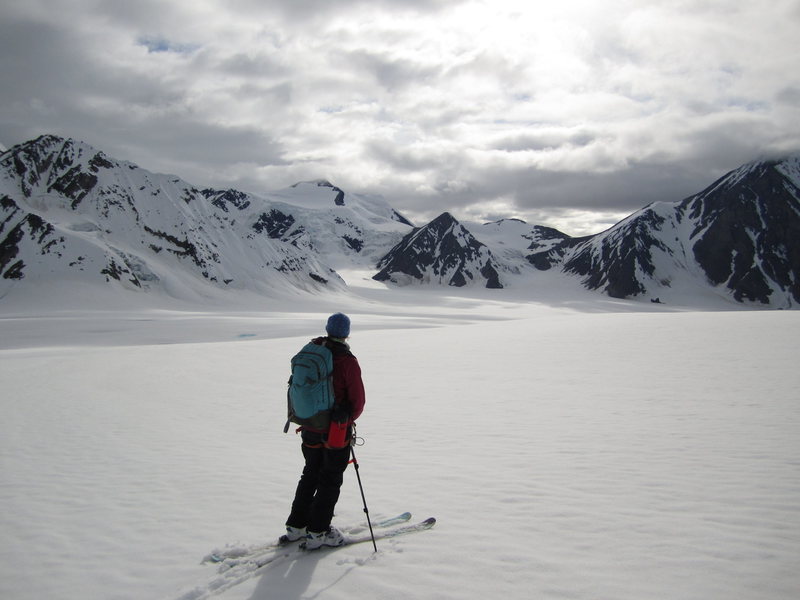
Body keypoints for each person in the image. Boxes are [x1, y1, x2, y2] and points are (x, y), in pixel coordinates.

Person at [284, 312, 366, 549]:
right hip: (335, 431)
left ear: (328, 329)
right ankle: (318, 532)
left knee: (310, 474)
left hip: (309, 425)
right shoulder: (347, 361)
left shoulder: (313, 349)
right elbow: (358, 402)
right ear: (346, 333)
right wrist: (348, 418)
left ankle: (295, 527)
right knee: (330, 479)